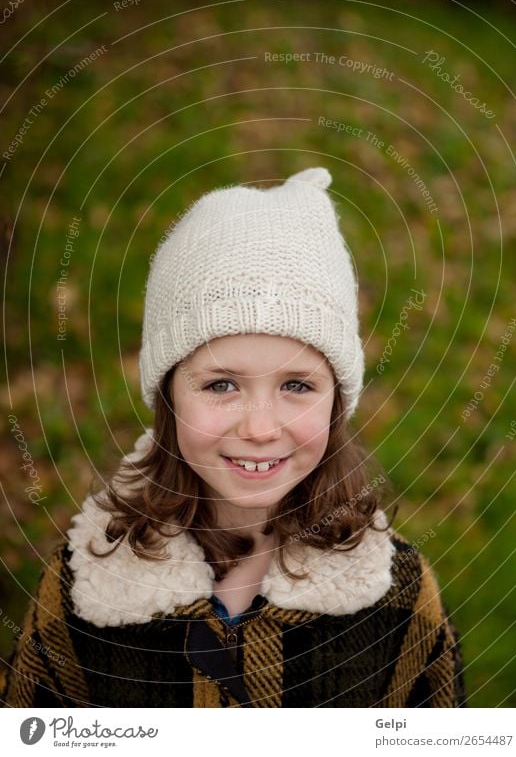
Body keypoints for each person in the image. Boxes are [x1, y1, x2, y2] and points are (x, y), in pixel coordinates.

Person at [1, 167, 467, 708]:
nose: (260, 428)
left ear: (337, 402)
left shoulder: (398, 597)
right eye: (221, 384)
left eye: (297, 385)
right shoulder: (82, 592)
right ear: (169, 397)